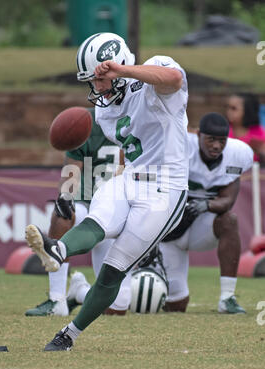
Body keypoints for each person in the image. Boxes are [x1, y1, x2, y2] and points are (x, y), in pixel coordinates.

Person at [25, 32, 189, 351]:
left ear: (120, 65)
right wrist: (121, 178)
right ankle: (57, 250)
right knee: (96, 219)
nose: (96, 88)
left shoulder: (153, 72)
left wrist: (123, 71)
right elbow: (127, 146)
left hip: (166, 188)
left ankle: (68, 334)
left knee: (114, 270)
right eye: (91, 81)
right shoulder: (104, 111)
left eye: (100, 79)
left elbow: (174, 79)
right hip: (130, 177)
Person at [25, 107, 131, 317]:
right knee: (63, 214)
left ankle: (79, 292)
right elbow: (70, 173)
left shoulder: (140, 118)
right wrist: (65, 196)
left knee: (115, 308)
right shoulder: (87, 121)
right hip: (89, 207)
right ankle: (57, 300)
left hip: (120, 214)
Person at [156, 112, 253, 314]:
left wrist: (205, 205)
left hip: (201, 227)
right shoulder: (180, 148)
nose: (216, 146)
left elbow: (227, 200)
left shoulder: (238, 154)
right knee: (176, 305)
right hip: (168, 233)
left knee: (229, 220)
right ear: (198, 135)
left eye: (221, 141)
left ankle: (227, 297)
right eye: (211, 139)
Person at [226, 92, 265, 166]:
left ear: (247, 111)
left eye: (234, 108)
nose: (229, 111)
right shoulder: (223, 130)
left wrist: (260, 152)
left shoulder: (260, 133)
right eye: (228, 107)